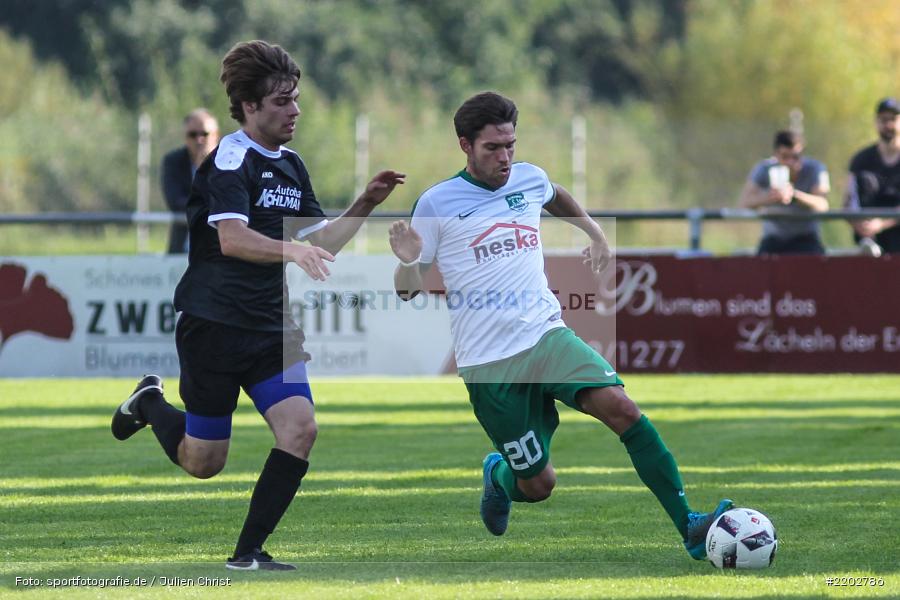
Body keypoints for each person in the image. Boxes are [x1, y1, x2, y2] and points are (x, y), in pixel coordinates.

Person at [388, 91, 732, 560]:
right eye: (493, 148)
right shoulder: (436, 203)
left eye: (511, 145)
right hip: (490, 366)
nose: (505, 157)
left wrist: (594, 232)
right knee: (538, 485)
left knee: (624, 410)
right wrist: (409, 262)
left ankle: (689, 525)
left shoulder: (528, 178)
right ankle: (499, 477)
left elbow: (555, 195)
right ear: (465, 145)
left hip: (546, 336)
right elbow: (406, 290)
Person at [111, 40, 404, 570]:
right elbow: (232, 240)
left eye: (296, 99)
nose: (295, 111)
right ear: (249, 106)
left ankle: (247, 553)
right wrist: (293, 250)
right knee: (204, 462)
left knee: (301, 429)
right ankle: (149, 403)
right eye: (282, 101)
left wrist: (364, 203)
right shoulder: (230, 159)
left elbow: (322, 242)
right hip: (214, 324)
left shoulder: (291, 164)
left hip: (271, 327)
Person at [738, 130, 830, 255]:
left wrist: (795, 195)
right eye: (785, 157)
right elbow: (745, 202)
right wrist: (770, 197)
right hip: (773, 240)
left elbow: (823, 205)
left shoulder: (815, 168)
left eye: (796, 157)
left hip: (806, 239)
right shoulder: (764, 169)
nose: (791, 162)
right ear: (776, 155)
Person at [845, 97, 900, 255]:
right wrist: (861, 225)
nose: (888, 125)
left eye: (893, 119)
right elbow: (848, 201)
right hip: (870, 243)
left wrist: (882, 223)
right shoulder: (861, 159)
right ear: (876, 122)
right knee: (866, 180)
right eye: (883, 120)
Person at [161, 109, 220, 254]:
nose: (199, 140)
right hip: (183, 247)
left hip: (220, 249)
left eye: (204, 134)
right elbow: (175, 201)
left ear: (216, 135)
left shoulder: (231, 161)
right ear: (185, 137)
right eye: (193, 135)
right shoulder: (173, 161)